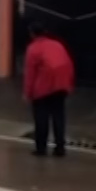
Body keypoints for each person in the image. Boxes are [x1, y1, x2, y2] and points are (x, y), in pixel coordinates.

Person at [23, 24, 76, 157]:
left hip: (43, 87)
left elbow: (30, 74)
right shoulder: (57, 44)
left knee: (41, 118)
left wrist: (28, 93)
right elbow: (68, 64)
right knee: (59, 116)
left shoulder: (33, 48)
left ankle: (41, 148)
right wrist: (68, 85)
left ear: (32, 34)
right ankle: (60, 148)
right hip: (61, 85)